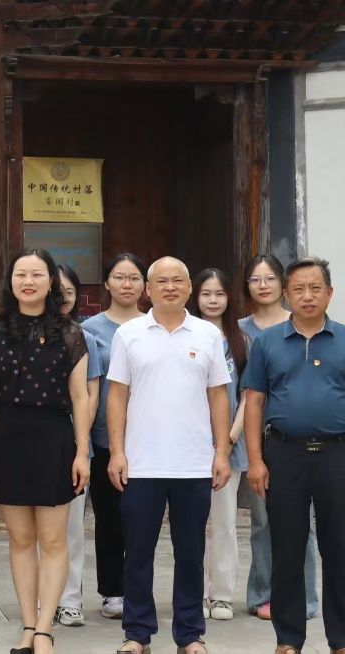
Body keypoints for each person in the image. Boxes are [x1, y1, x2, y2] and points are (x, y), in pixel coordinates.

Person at [243, 256, 345, 654]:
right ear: (286, 295)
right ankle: (288, 639)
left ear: (329, 293)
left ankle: (344, 641)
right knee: (286, 549)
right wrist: (255, 460)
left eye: (315, 288)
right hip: (283, 455)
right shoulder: (268, 342)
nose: (307, 296)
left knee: (339, 550)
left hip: (338, 456)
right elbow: (254, 403)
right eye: (299, 289)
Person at [106, 256, 231, 654]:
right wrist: (117, 452)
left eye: (178, 280)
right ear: (148, 289)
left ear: (189, 288)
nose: (170, 287)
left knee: (191, 553)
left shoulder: (208, 335)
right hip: (141, 463)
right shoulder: (129, 334)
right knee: (137, 552)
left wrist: (221, 452)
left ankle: (190, 634)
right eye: (162, 281)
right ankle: (137, 633)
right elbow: (117, 395)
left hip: (193, 463)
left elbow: (218, 396)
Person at [0, 250, 91, 654]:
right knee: (20, 539)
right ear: (10, 281)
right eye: (20, 274)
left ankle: (45, 629)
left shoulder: (70, 332)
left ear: (50, 282)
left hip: (54, 438)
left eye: (37, 274)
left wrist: (82, 452)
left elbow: (80, 397)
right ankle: (27, 624)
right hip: (7, 437)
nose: (28, 281)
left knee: (53, 540)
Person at [239, 254, 319, 622]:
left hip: (297, 436)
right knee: (263, 522)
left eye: (270, 278)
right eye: (255, 279)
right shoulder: (238, 330)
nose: (263, 285)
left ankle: (305, 598)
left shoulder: (301, 326)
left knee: (303, 523)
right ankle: (263, 594)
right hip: (256, 436)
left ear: (282, 286)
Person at [81, 253, 146, 621]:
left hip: (148, 437)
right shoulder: (90, 329)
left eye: (134, 277)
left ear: (144, 284)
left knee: (142, 519)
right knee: (108, 518)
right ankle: (112, 590)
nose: (126, 284)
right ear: (106, 283)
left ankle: (138, 587)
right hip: (105, 438)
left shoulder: (154, 324)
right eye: (119, 277)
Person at [190, 268, 248, 623]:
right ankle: (194, 594)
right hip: (191, 446)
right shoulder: (187, 335)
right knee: (193, 524)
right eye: (206, 294)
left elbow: (248, 395)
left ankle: (222, 595)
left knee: (224, 523)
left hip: (229, 446)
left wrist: (228, 438)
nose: (213, 300)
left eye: (219, 294)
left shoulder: (241, 341)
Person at [53, 263, 102, 629]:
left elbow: (90, 393)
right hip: (35, 441)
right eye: (57, 291)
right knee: (37, 530)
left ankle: (70, 599)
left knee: (71, 526)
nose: (62, 298)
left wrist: (80, 441)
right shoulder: (20, 332)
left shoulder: (84, 337)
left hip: (72, 442)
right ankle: (42, 599)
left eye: (68, 291)